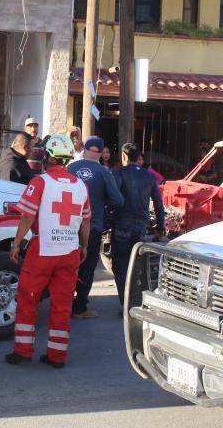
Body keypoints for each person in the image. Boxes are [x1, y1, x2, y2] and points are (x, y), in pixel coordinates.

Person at [6, 134, 90, 368]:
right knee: (62, 304)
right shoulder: (81, 186)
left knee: (28, 299)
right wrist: (83, 246)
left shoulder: (40, 183)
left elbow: (27, 216)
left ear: (48, 158)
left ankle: (23, 352)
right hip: (69, 252)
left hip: (43, 250)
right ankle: (57, 356)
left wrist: (16, 243)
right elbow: (85, 223)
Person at [67, 136, 123, 319]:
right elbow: (118, 199)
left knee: (66, 266)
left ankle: (63, 303)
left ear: (84, 150)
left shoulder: (70, 168)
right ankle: (80, 307)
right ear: (100, 153)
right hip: (92, 226)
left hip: (67, 226)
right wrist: (102, 200)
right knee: (87, 267)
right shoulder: (103, 172)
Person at [111, 143, 165, 308]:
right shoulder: (149, 177)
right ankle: (136, 301)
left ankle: (125, 303)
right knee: (136, 266)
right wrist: (159, 228)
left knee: (120, 266)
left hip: (121, 224)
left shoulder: (118, 172)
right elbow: (158, 204)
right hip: (140, 227)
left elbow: (113, 198)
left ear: (125, 157)